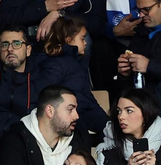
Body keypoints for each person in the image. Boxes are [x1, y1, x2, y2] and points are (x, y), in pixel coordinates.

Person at [32, 16, 109, 144]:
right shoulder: (58, 64)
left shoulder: (74, 62)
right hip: (71, 122)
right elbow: (44, 94)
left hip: (81, 117)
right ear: (68, 40)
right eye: (82, 38)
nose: (85, 43)